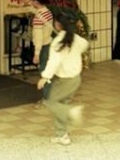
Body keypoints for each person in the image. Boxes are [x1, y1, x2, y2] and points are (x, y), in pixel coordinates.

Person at [37, 13, 89, 146]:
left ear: (57, 25)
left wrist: (45, 77)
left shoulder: (57, 42)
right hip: (75, 78)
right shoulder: (76, 39)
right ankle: (62, 135)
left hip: (65, 80)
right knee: (61, 104)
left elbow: (54, 61)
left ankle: (70, 112)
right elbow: (85, 44)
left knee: (50, 102)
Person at [30, 0, 54, 102]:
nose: (30, 1)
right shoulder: (47, 12)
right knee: (48, 70)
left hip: (43, 47)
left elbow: (38, 38)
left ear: (36, 2)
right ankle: (50, 96)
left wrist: (36, 54)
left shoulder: (38, 19)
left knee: (44, 72)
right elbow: (36, 11)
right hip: (49, 43)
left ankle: (47, 98)